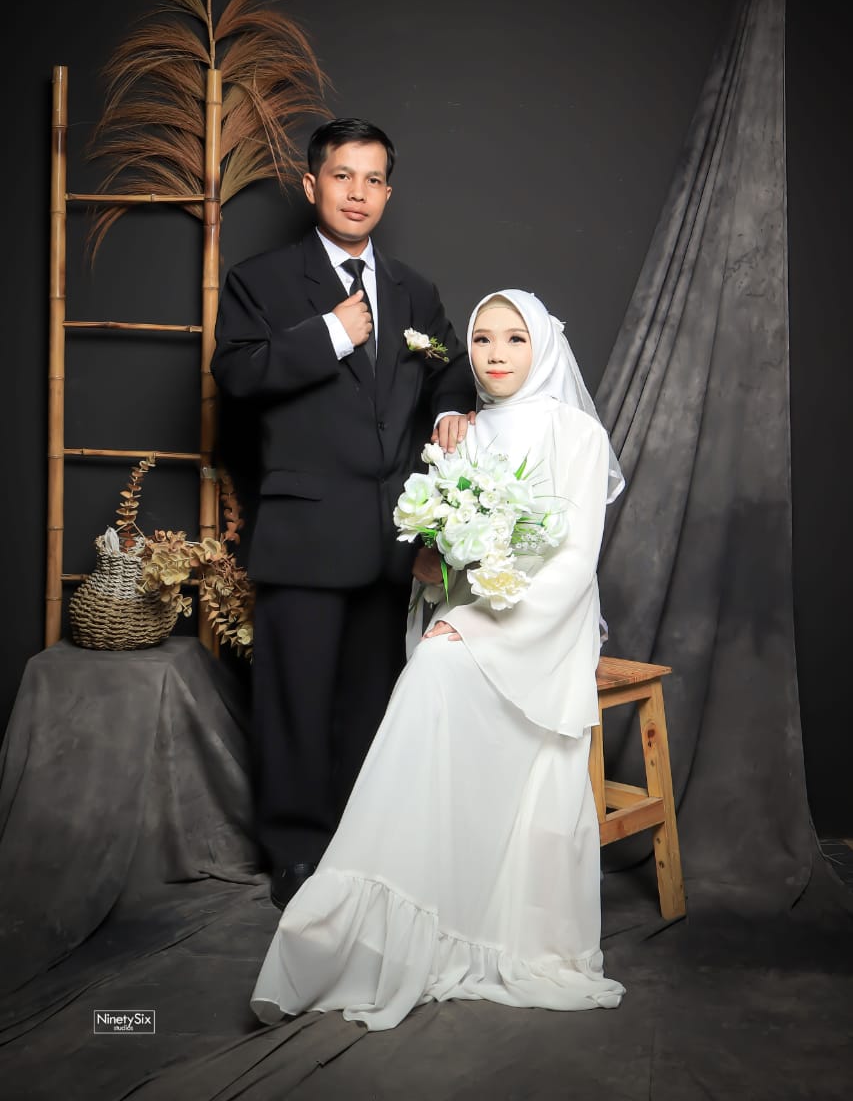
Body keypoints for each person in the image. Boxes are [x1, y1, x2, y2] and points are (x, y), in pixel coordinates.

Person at [249, 288, 627, 1031]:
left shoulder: (575, 433)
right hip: (468, 611)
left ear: (543, 346)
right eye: (482, 339)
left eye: (514, 339)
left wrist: (482, 627)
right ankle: (377, 909)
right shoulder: (463, 434)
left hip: (544, 622)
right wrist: (435, 568)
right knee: (431, 665)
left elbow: (574, 561)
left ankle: (428, 905)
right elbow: (451, 554)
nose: (495, 354)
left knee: (433, 669)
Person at [210, 118, 476, 910]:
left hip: (389, 535)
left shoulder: (412, 289)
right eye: (341, 176)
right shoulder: (260, 280)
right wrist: (329, 331)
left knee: (371, 700)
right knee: (294, 701)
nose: (357, 193)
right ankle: (295, 855)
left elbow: (448, 367)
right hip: (302, 531)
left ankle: (361, 852)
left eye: (373, 180)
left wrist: (449, 411)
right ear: (311, 185)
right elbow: (236, 375)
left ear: (387, 192)